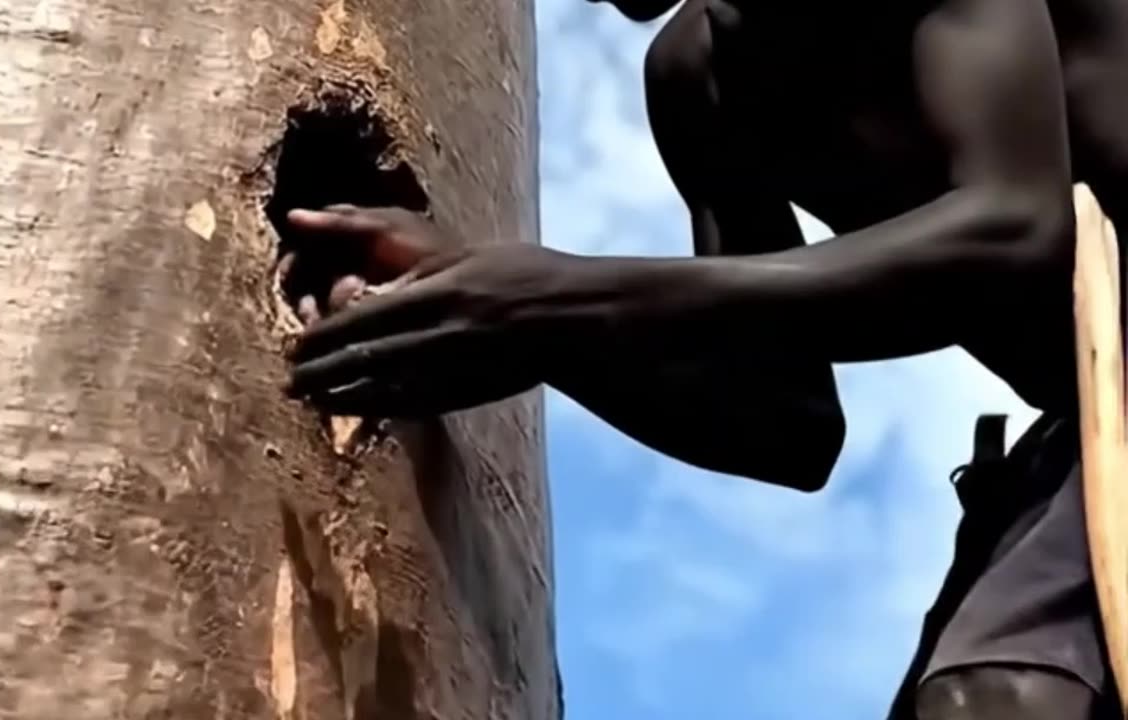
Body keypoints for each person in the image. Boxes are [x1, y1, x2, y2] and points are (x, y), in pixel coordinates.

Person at [278, 0, 1128, 716]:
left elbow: (1019, 229)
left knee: (1000, 693)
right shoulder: (702, 78)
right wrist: (528, 332)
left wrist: (559, 299)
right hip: (1083, 432)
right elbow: (784, 426)